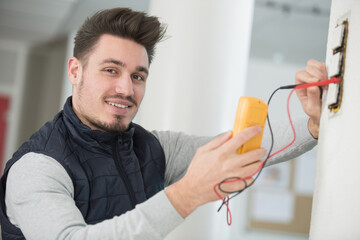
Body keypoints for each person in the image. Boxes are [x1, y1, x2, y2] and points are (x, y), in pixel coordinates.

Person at [0, 7, 326, 240]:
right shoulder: (38, 168)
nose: (126, 89)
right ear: (75, 71)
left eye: (137, 76)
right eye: (111, 70)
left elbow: (240, 146)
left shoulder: (156, 148)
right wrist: (187, 194)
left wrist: (314, 125)